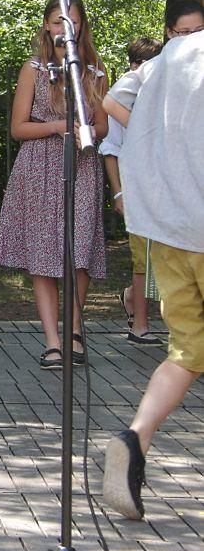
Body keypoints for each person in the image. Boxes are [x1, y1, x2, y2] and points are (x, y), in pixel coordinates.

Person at [100, 20, 204, 522]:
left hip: (169, 224)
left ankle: (134, 439)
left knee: (186, 350)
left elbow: (111, 102)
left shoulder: (165, 61)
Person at [0, 0, 109, 370]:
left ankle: (74, 333)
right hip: (40, 166)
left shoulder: (94, 70)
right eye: (58, 21)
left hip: (83, 167)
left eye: (71, 22)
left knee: (80, 253)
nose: (64, 29)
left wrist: (88, 130)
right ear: (47, 25)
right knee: (44, 257)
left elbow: (105, 124)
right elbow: (18, 128)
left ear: (82, 26)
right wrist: (61, 127)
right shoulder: (34, 69)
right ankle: (52, 341)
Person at [99, 37, 164, 346]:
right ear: (133, 66)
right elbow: (110, 150)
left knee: (166, 255)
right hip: (137, 189)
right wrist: (118, 193)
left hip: (167, 188)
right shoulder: (121, 101)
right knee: (142, 257)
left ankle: (130, 297)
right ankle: (140, 325)